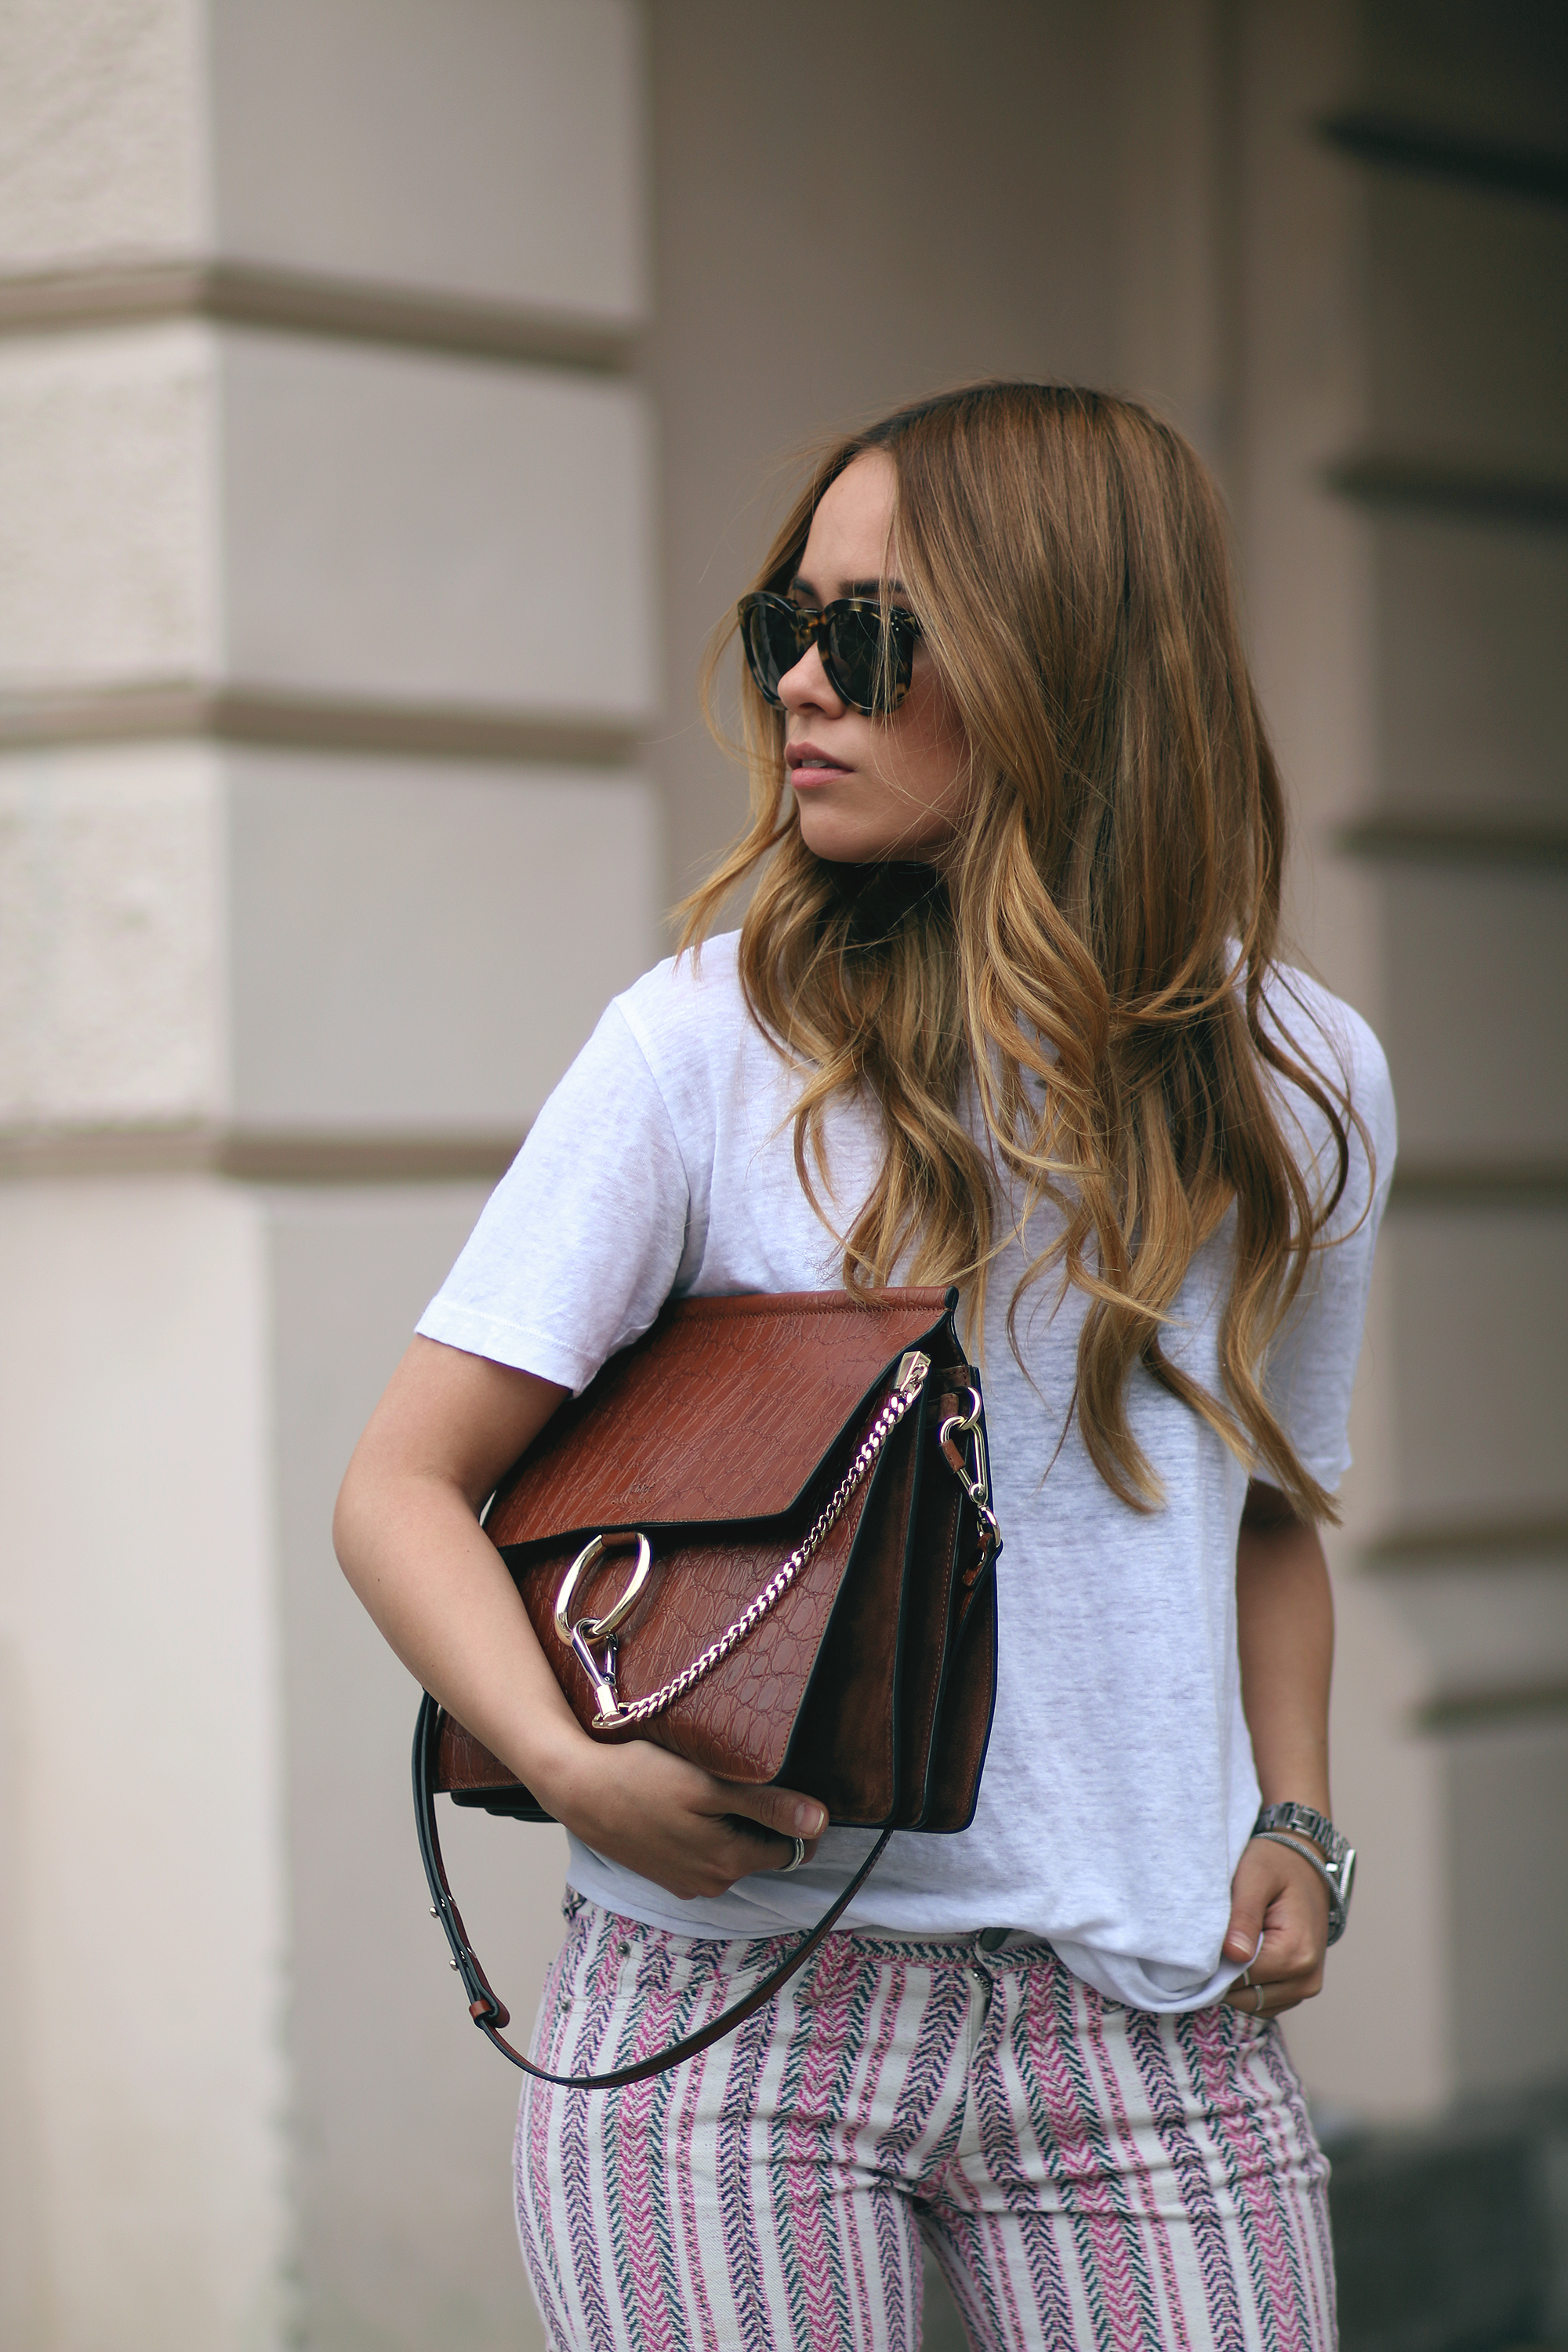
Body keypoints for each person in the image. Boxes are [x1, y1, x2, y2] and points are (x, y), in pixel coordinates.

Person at [335, 382, 1395, 2352]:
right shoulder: (703, 1052)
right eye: (783, 626)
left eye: (873, 633)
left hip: (1147, 2026)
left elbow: (1262, 1514)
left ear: (1059, 665)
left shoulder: (1300, 1080)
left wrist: (1299, 1819)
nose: (803, 683)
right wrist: (573, 1768)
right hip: (733, 2033)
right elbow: (397, 1488)